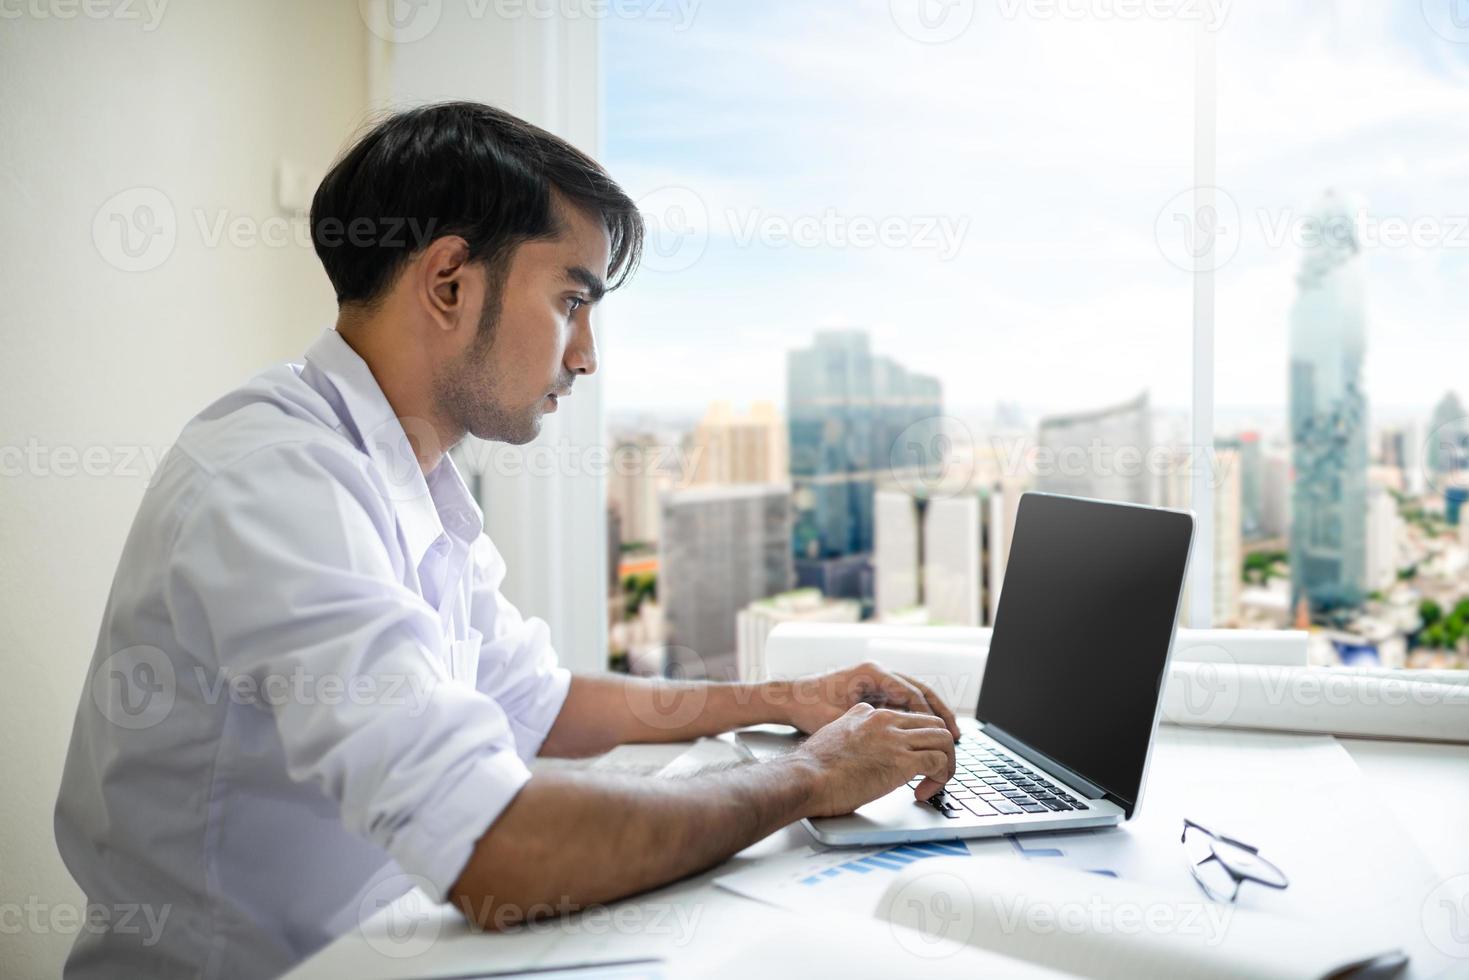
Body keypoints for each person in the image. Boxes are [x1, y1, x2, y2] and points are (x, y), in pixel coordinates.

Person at [55, 101, 958, 980]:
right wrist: (811, 777)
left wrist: (788, 695)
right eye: (572, 299)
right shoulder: (276, 481)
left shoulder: (408, 476)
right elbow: (496, 850)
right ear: (449, 282)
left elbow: (536, 701)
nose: (586, 354)